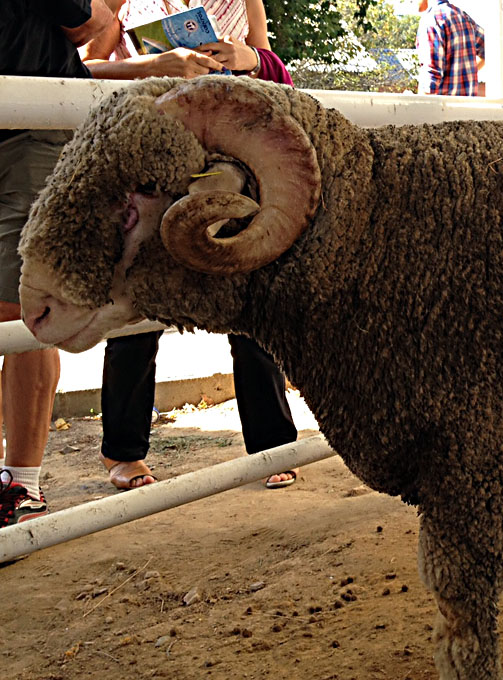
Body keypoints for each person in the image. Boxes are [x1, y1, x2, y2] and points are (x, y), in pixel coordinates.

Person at [81, 0, 300, 491]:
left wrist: (245, 58)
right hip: (149, 165)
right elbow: (82, 71)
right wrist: (152, 65)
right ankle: (122, 449)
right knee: (138, 308)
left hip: (229, 163)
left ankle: (272, 445)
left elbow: (277, 76)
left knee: (250, 299)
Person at [0, 0, 114, 526]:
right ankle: (16, 485)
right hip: (27, 122)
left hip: (30, 125)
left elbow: (92, 33)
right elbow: (91, 24)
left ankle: (20, 484)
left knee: (19, 306)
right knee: (15, 308)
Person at [416, 0, 485, 96]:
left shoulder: (431, 20)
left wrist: (415, 104)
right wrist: (465, 75)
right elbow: (488, 49)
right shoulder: (462, 16)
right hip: (468, 108)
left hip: (442, 108)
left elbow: (431, 78)